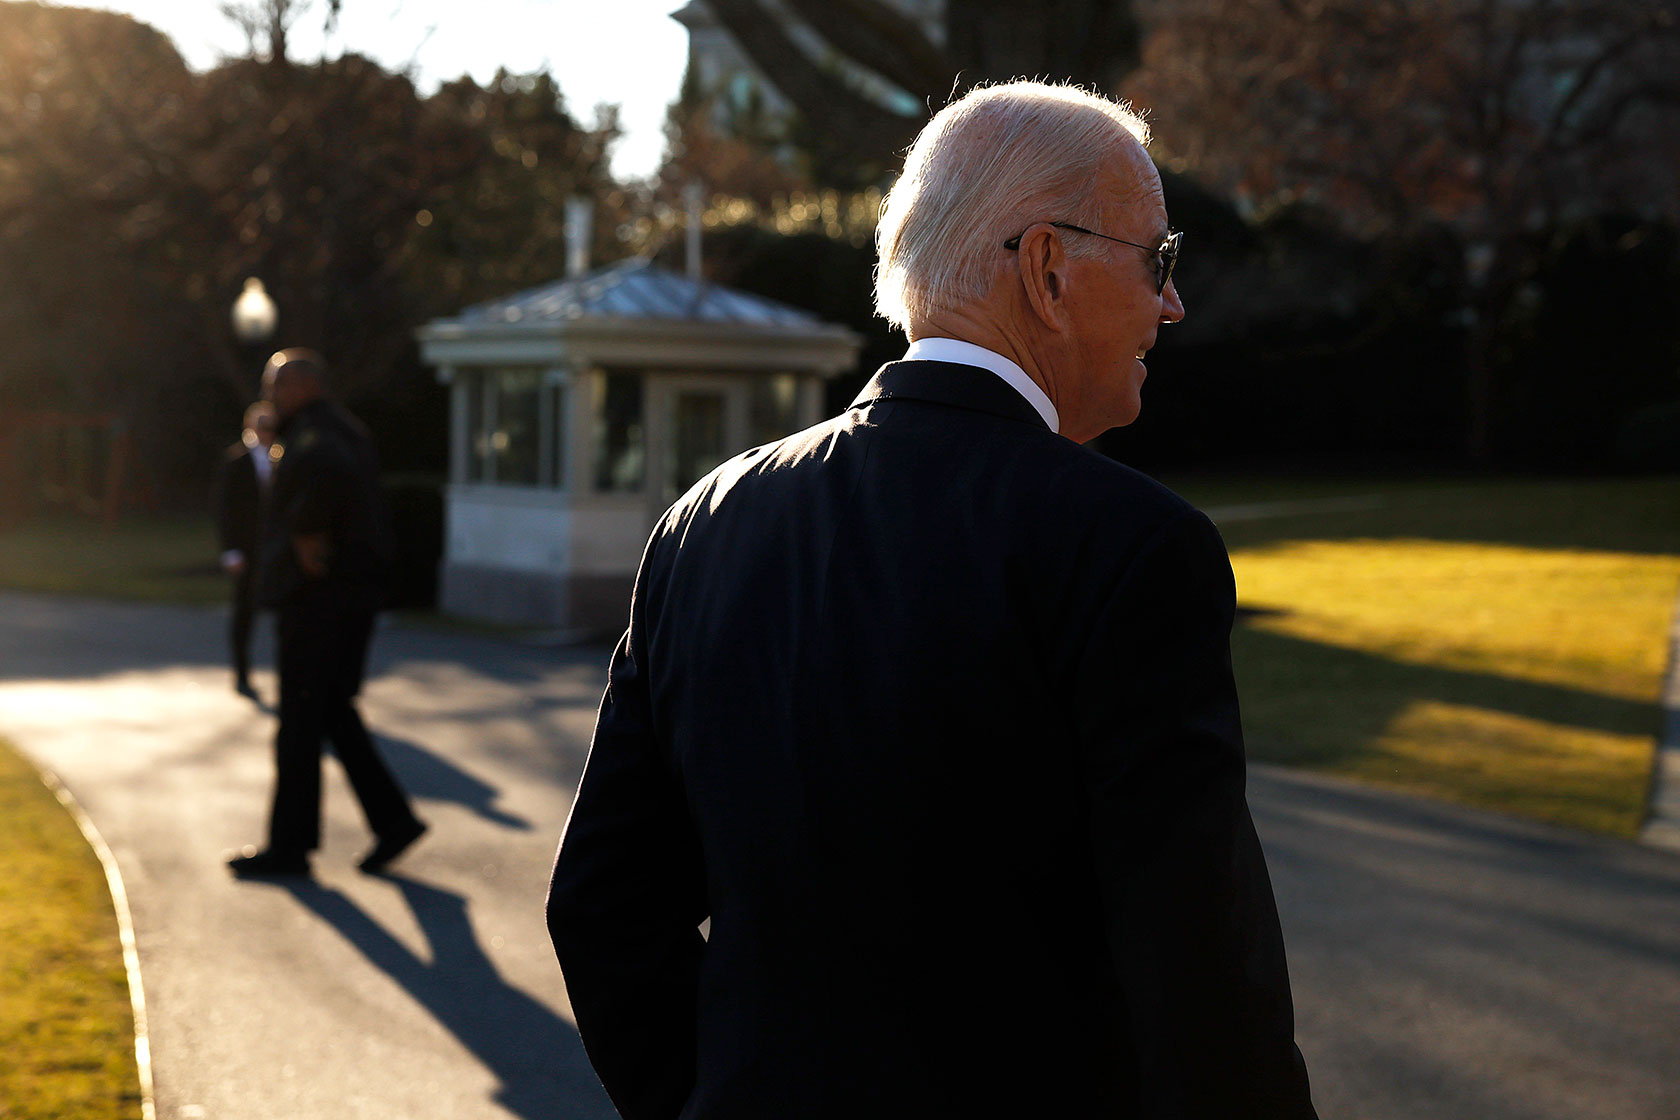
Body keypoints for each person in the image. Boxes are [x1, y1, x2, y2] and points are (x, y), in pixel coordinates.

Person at [546, 81, 1316, 1118]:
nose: (1171, 304)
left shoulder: (702, 525)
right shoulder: (1129, 545)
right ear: (1047, 266)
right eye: (1156, 261)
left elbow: (604, 907)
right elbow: (1200, 969)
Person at [227, 348, 425, 879]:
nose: (269, 397)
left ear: (300, 388)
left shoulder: (315, 437)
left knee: (299, 723)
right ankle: (394, 821)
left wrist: (308, 547)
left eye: (275, 386)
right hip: (341, 600)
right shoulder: (338, 429)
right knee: (332, 712)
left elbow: (319, 492)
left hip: (319, 604)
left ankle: (290, 849)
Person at [213, 401, 277, 698]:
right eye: (261, 425)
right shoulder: (235, 461)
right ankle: (242, 672)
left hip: (274, 550)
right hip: (247, 549)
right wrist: (231, 551)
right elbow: (225, 510)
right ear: (249, 426)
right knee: (244, 612)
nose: (266, 432)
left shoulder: (282, 458)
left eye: (270, 426)